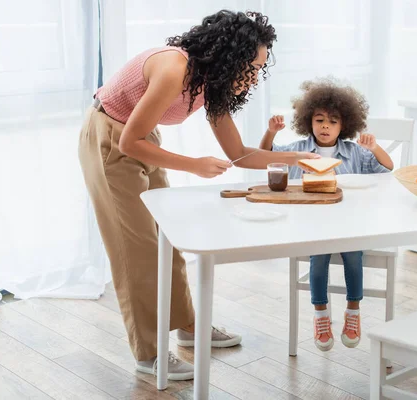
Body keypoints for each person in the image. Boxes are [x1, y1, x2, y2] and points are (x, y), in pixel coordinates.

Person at [78, 10, 318, 380]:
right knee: (136, 250)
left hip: (142, 140)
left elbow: (240, 153)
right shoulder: (175, 69)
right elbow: (127, 142)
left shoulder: (212, 84)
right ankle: (149, 354)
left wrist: (297, 156)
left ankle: (188, 328)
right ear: (228, 56)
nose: (255, 78)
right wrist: (194, 165)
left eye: (259, 69)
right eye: (251, 67)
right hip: (109, 140)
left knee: (167, 239)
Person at [259, 77, 393, 351]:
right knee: (317, 262)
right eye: (319, 120)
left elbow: (388, 169)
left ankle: (353, 312)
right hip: (312, 225)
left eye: (333, 121)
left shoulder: (355, 152)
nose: (325, 126)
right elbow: (263, 155)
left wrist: (375, 148)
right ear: (308, 121)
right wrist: (271, 132)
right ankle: (321, 315)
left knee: (354, 257)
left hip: (350, 224)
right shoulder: (297, 150)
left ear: (344, 125)